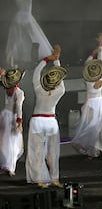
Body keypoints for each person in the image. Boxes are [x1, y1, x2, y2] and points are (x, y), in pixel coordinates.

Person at [25, 45, 66, 188]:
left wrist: (47, 59)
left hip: (38, 121)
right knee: (53, 152)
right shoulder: (60, 91)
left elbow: (37, 72)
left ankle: (39, 179)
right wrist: (57, 60)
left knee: (37, 151)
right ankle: (54, 178)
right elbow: (60, 76)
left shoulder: (38, 88)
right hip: (50, 121)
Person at [6, 0, 52, 68]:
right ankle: (33, 61)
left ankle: (14, 62)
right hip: (27, 19)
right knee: (34, 39)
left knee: (18, 40)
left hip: (18, 19)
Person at [0, 67, 25, 177]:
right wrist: (19, 121)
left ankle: (6, 165)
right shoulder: (18, 92)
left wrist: (1, 75)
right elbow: (19, 107)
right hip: (12, 118)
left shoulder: (8, 88)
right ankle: (10, 167)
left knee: (5, 142)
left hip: (4, 115)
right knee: (13, 143)